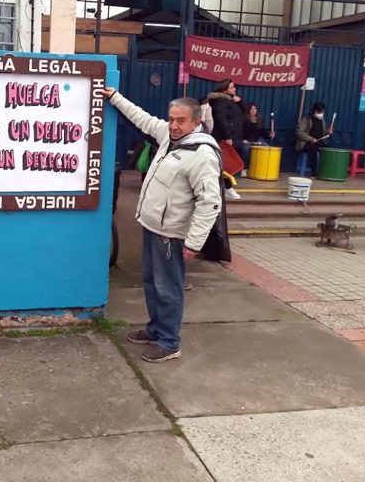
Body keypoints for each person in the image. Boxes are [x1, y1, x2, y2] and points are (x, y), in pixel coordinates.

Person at [102, 86, 222, 363]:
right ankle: (156, 329)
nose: (174, 125)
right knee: (152, 282)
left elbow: (209, 203)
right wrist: (114, 96)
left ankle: (169, 342)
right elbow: (141, 118)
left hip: (172, 234)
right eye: (171, 119)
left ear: (196, 122)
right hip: (153, 227)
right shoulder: (168, 137)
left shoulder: (202, 155)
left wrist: (194, 243)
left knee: (168, 287)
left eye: (181, 121)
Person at [207, 79, 246, 198]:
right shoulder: (219, 102)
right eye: (232, 87)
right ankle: (227, 188)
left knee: (228, 164)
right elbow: (221, 119)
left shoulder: (232, 101)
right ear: (225, 90)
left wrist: (240, 101)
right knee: (224, 164)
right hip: (223, 138)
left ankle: (225, 187)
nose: (235, 89)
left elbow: (245, 111)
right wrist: (228, 136)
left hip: (235, 136)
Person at [296, 101, 333, 177]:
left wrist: (328, 132)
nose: (321, 114)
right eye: (319, 112)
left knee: (330, 149)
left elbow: (324, 133)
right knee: (312, 149)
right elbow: (299, 132)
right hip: (307, 142)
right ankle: (314, 172)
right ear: (315, 110)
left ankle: (326, 171)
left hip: (319, 141)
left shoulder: (322, 120)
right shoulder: (306, 119)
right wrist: (311, 139)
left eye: (322, 112)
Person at [241, 103, 275, 172]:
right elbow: (239, 131)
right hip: (246, 141)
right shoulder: (243, 118)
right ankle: (245, 169)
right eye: (251, 109)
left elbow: (263, 132)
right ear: (248, 110)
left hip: (257, 141)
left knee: (267, 148)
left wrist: (269, 135)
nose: (253, 110)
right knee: (245, 150)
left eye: (255, 109)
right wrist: (242, 139)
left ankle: (261, 169)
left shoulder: (259, 120)